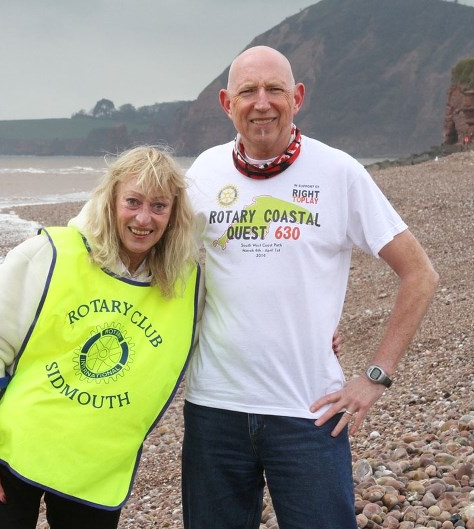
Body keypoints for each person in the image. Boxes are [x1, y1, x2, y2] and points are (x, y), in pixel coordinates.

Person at [181, 46, 439, 529]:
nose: (262, 103)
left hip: (310, 413)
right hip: (214, 410)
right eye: (248, 91)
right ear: (226, 102)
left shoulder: (338, 173)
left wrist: (375, 377)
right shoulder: (203, 173)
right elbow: (167, 271)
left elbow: (420, 274)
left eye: (275, 90)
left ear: (296, 97)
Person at [0, 145, 202, 529]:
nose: (143, 218)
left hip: (98, 467)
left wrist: (320, 339)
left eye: (158, 206)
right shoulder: (48, 254)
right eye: (132, 202)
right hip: (14, 452)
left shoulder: (187, 285)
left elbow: (234, 328)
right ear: (110, 200)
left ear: (174, 213)